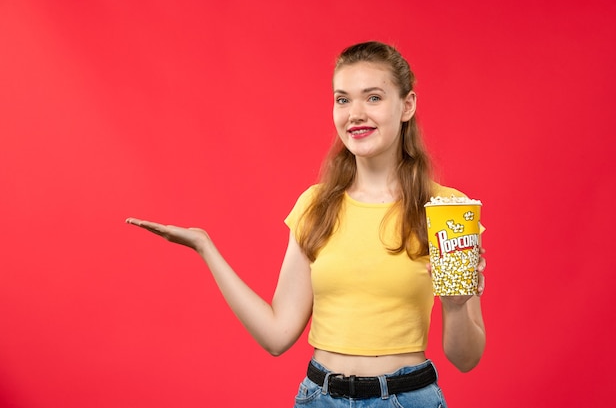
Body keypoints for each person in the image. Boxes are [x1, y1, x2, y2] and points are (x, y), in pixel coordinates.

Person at [126, 41, 486, 407]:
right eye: (343, 99)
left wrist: (457, 307)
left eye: (373, 98)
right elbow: (277, 334)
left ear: (407, 105)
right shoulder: (315, 205)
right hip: (321, 398)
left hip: (408, 399)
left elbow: (466, 358)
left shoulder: (446, 209)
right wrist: (205, 247)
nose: (355, 114)